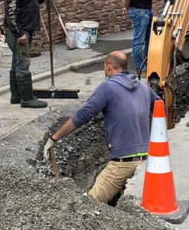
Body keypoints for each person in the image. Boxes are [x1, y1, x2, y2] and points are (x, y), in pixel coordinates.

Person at [43, 51, 160, 203]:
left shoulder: (108, 88)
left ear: (109, 67)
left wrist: (54, 137)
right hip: (148, 160)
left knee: (89, 206)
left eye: (104, 67)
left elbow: (83, 115)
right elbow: (160, 107)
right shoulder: (144, 88)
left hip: (123, 163)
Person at [4, 0, 52, 108]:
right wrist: (19, 33)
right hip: (20, 29)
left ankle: (16, 96)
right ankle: (27, 98)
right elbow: (11, 12)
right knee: (23, 62)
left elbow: (29, 2)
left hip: (25, 27)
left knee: (17, 61)